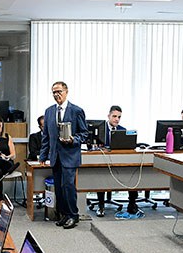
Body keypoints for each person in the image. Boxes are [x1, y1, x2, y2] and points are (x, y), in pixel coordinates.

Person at [39, 81, 87, 229]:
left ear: (66, 92)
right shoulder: (49, 111)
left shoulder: (76, 111)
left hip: (70, 156)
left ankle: (73, 215)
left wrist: (73, 140)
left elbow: (84, 134)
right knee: (59, 189)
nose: (56, 95)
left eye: (59, 91)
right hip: (55, 157)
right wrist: (42, 156)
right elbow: (46, 136)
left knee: (68, 186)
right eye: (54, 92)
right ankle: (64, 215)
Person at [94, 106, 141, 219]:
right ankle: (101, 205)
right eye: (114, 116)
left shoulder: (122, 130)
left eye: (119, 117)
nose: (117, 119)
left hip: (119, 160)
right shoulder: (100, 128)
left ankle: (132, 203)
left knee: (132, 174)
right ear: (108, 116)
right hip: (103, 161)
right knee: (102, 178)